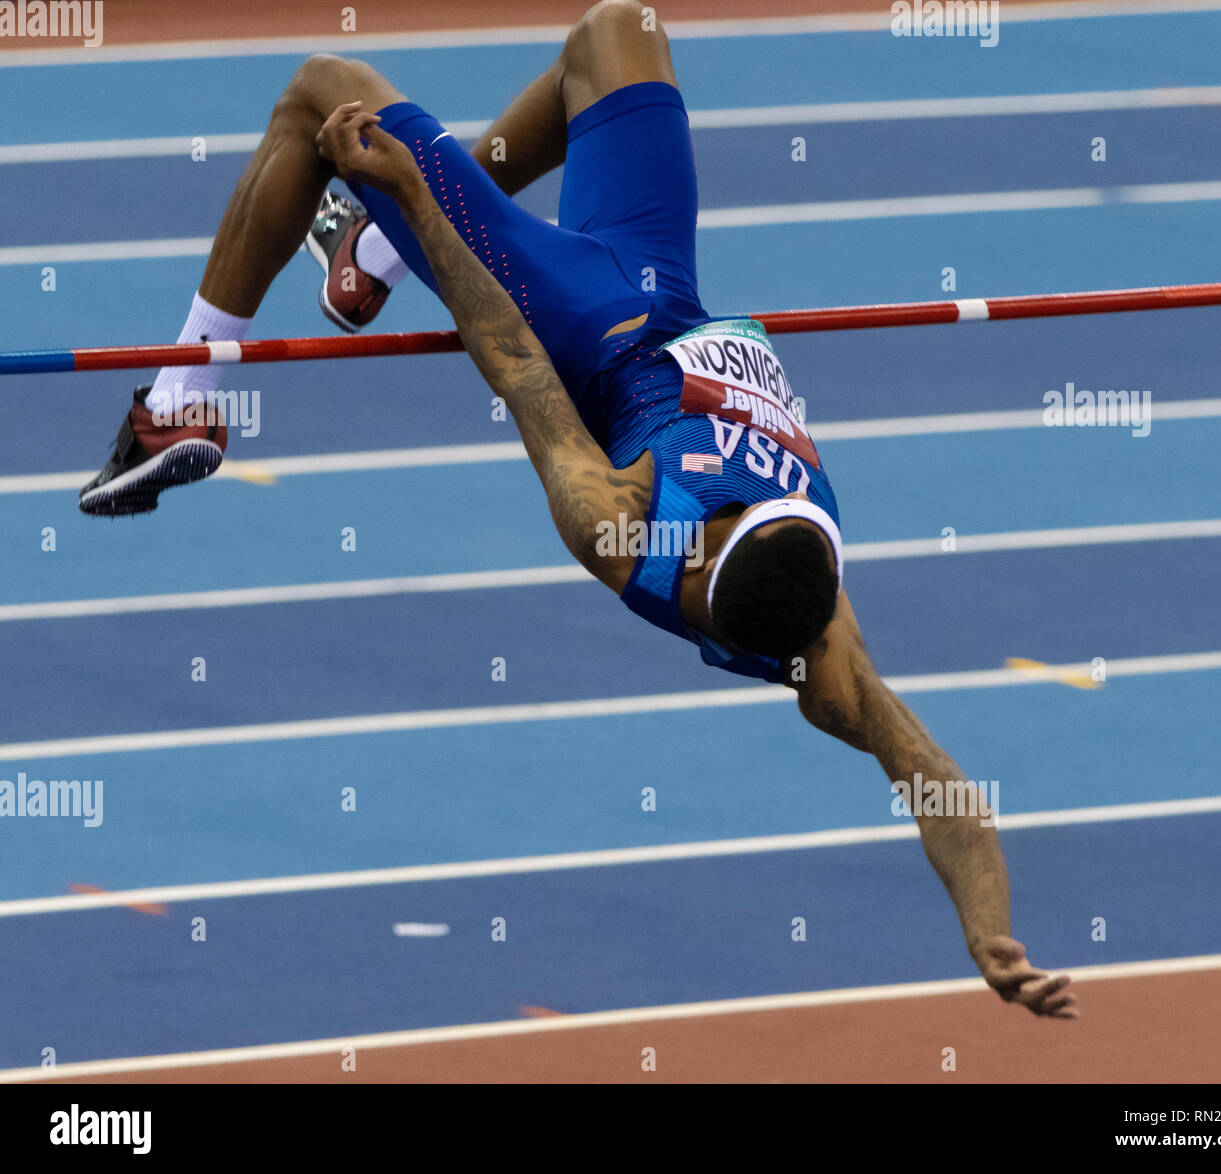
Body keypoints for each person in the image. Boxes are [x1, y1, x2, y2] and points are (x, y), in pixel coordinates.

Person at [77, 1, 1076, 1018]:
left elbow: (508, 352)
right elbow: (941, 786)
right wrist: (990, 930)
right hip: (666, 289)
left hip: (571, 318)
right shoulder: (822, 625)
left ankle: (173, 400)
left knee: (321, 96)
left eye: (712, 531)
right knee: (614, 32)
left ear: (697, 565)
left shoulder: (618, 524)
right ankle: (364, 263)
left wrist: (412, 201)